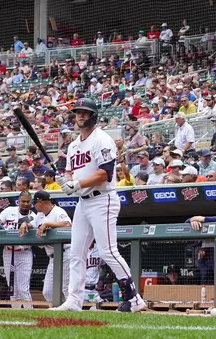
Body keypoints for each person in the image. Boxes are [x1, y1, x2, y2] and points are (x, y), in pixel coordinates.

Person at [55, 99, 146, 313]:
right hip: (83, 202)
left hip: (102, 199)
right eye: (78, 113)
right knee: (76, 253)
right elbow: (72, 172)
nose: (80, 116)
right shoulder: (74, 145)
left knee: (108, 251)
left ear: (93, 116)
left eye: (85, 113)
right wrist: (67, 181)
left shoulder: (102, 139)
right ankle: (74, 301)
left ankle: (134, 299)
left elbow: (105, 174)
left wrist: (76, 183)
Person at [20, 190, 71, 305]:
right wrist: (25, 224)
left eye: (35, 203)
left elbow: (67, 224)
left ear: (41, 202)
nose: (34, 205)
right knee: (47, 291)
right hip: (53, 257)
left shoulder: (58, 211)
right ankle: (61, 312)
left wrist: (48, 224)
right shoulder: (40, 215)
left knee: (66, 288)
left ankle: (73, 315)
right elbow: (32, 225)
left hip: (66, 253)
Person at [0, 190, 35, 306]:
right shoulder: (9, 211)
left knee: (23, 288)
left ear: (31, 203)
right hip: (8, 252)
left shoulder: (33, 217)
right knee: (12, 288)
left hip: (24, 252)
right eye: (23, 201)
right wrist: (4, 228)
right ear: (18, 201)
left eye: (28, 202)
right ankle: (16, 315)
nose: (25, 204)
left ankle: (29, 313)